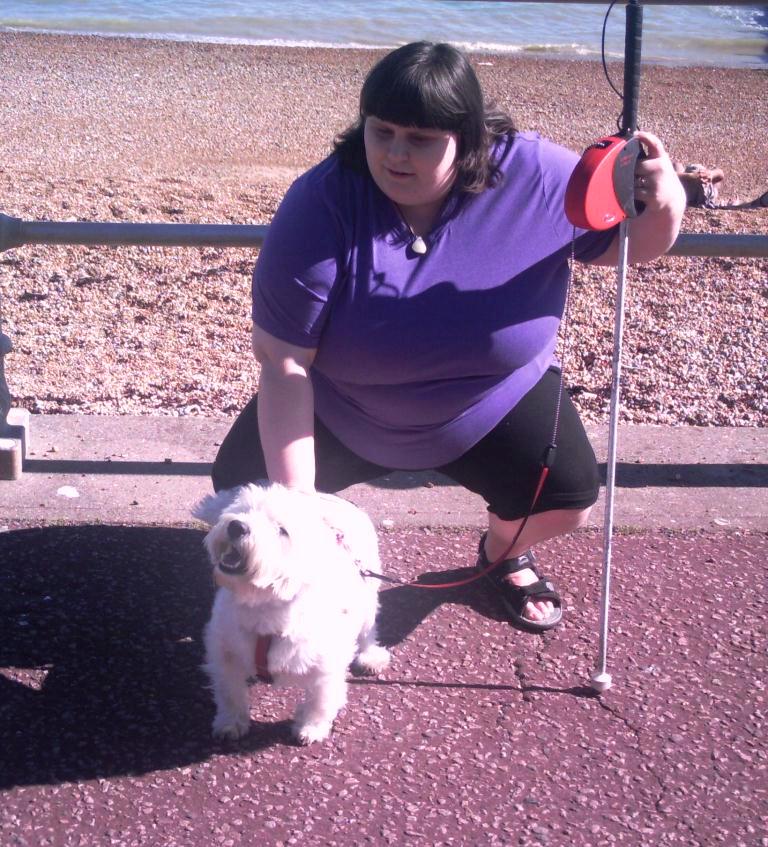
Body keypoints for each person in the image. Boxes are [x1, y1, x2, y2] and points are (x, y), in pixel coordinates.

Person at [212, 42, 686, 632]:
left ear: (467, 137)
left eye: (420, 138)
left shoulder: (540, 174)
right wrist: (296, 508)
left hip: (492, 399)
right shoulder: (321, 201)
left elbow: (625, 249)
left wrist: (666, 201)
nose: (395, 155)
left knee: (568, 499)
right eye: (381, 132)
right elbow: (284, 364)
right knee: (238, 492)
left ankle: (502, 554)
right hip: (345, 407)